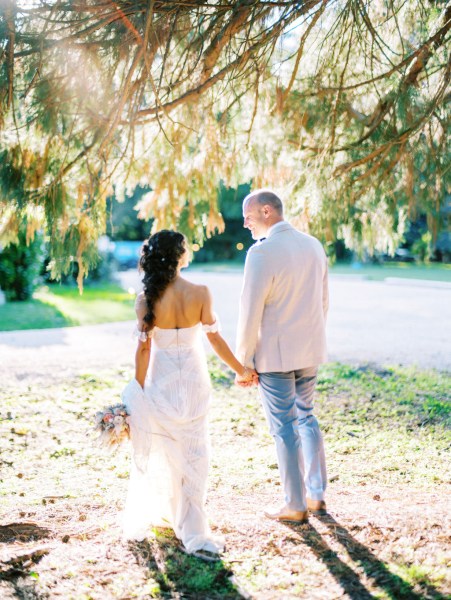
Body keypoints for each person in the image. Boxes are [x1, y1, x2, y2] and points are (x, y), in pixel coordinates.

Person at [121, 230, 256, 554]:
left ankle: (174, 514)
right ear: (180, 256)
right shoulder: (200, 292)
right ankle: (191, 522)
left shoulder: (146, 299)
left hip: (162, 382)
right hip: (195, 382)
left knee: (167, 450)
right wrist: (242, 371)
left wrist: (137, 390)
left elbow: (143, 351)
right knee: (195, 452)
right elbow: (215, 340)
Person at [236, 189, 329, 523]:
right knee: (306, 416)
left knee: (284, 427)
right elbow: (323, 303)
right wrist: (312, 339)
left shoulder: (261, 253)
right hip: (310, 350)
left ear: (266, 211)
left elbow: (250, 311)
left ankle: (294, 504)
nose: (245, 223)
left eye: (248, 215)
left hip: (275, 356)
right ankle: (316, 495)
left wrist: (243, 361)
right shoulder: (314, 245)